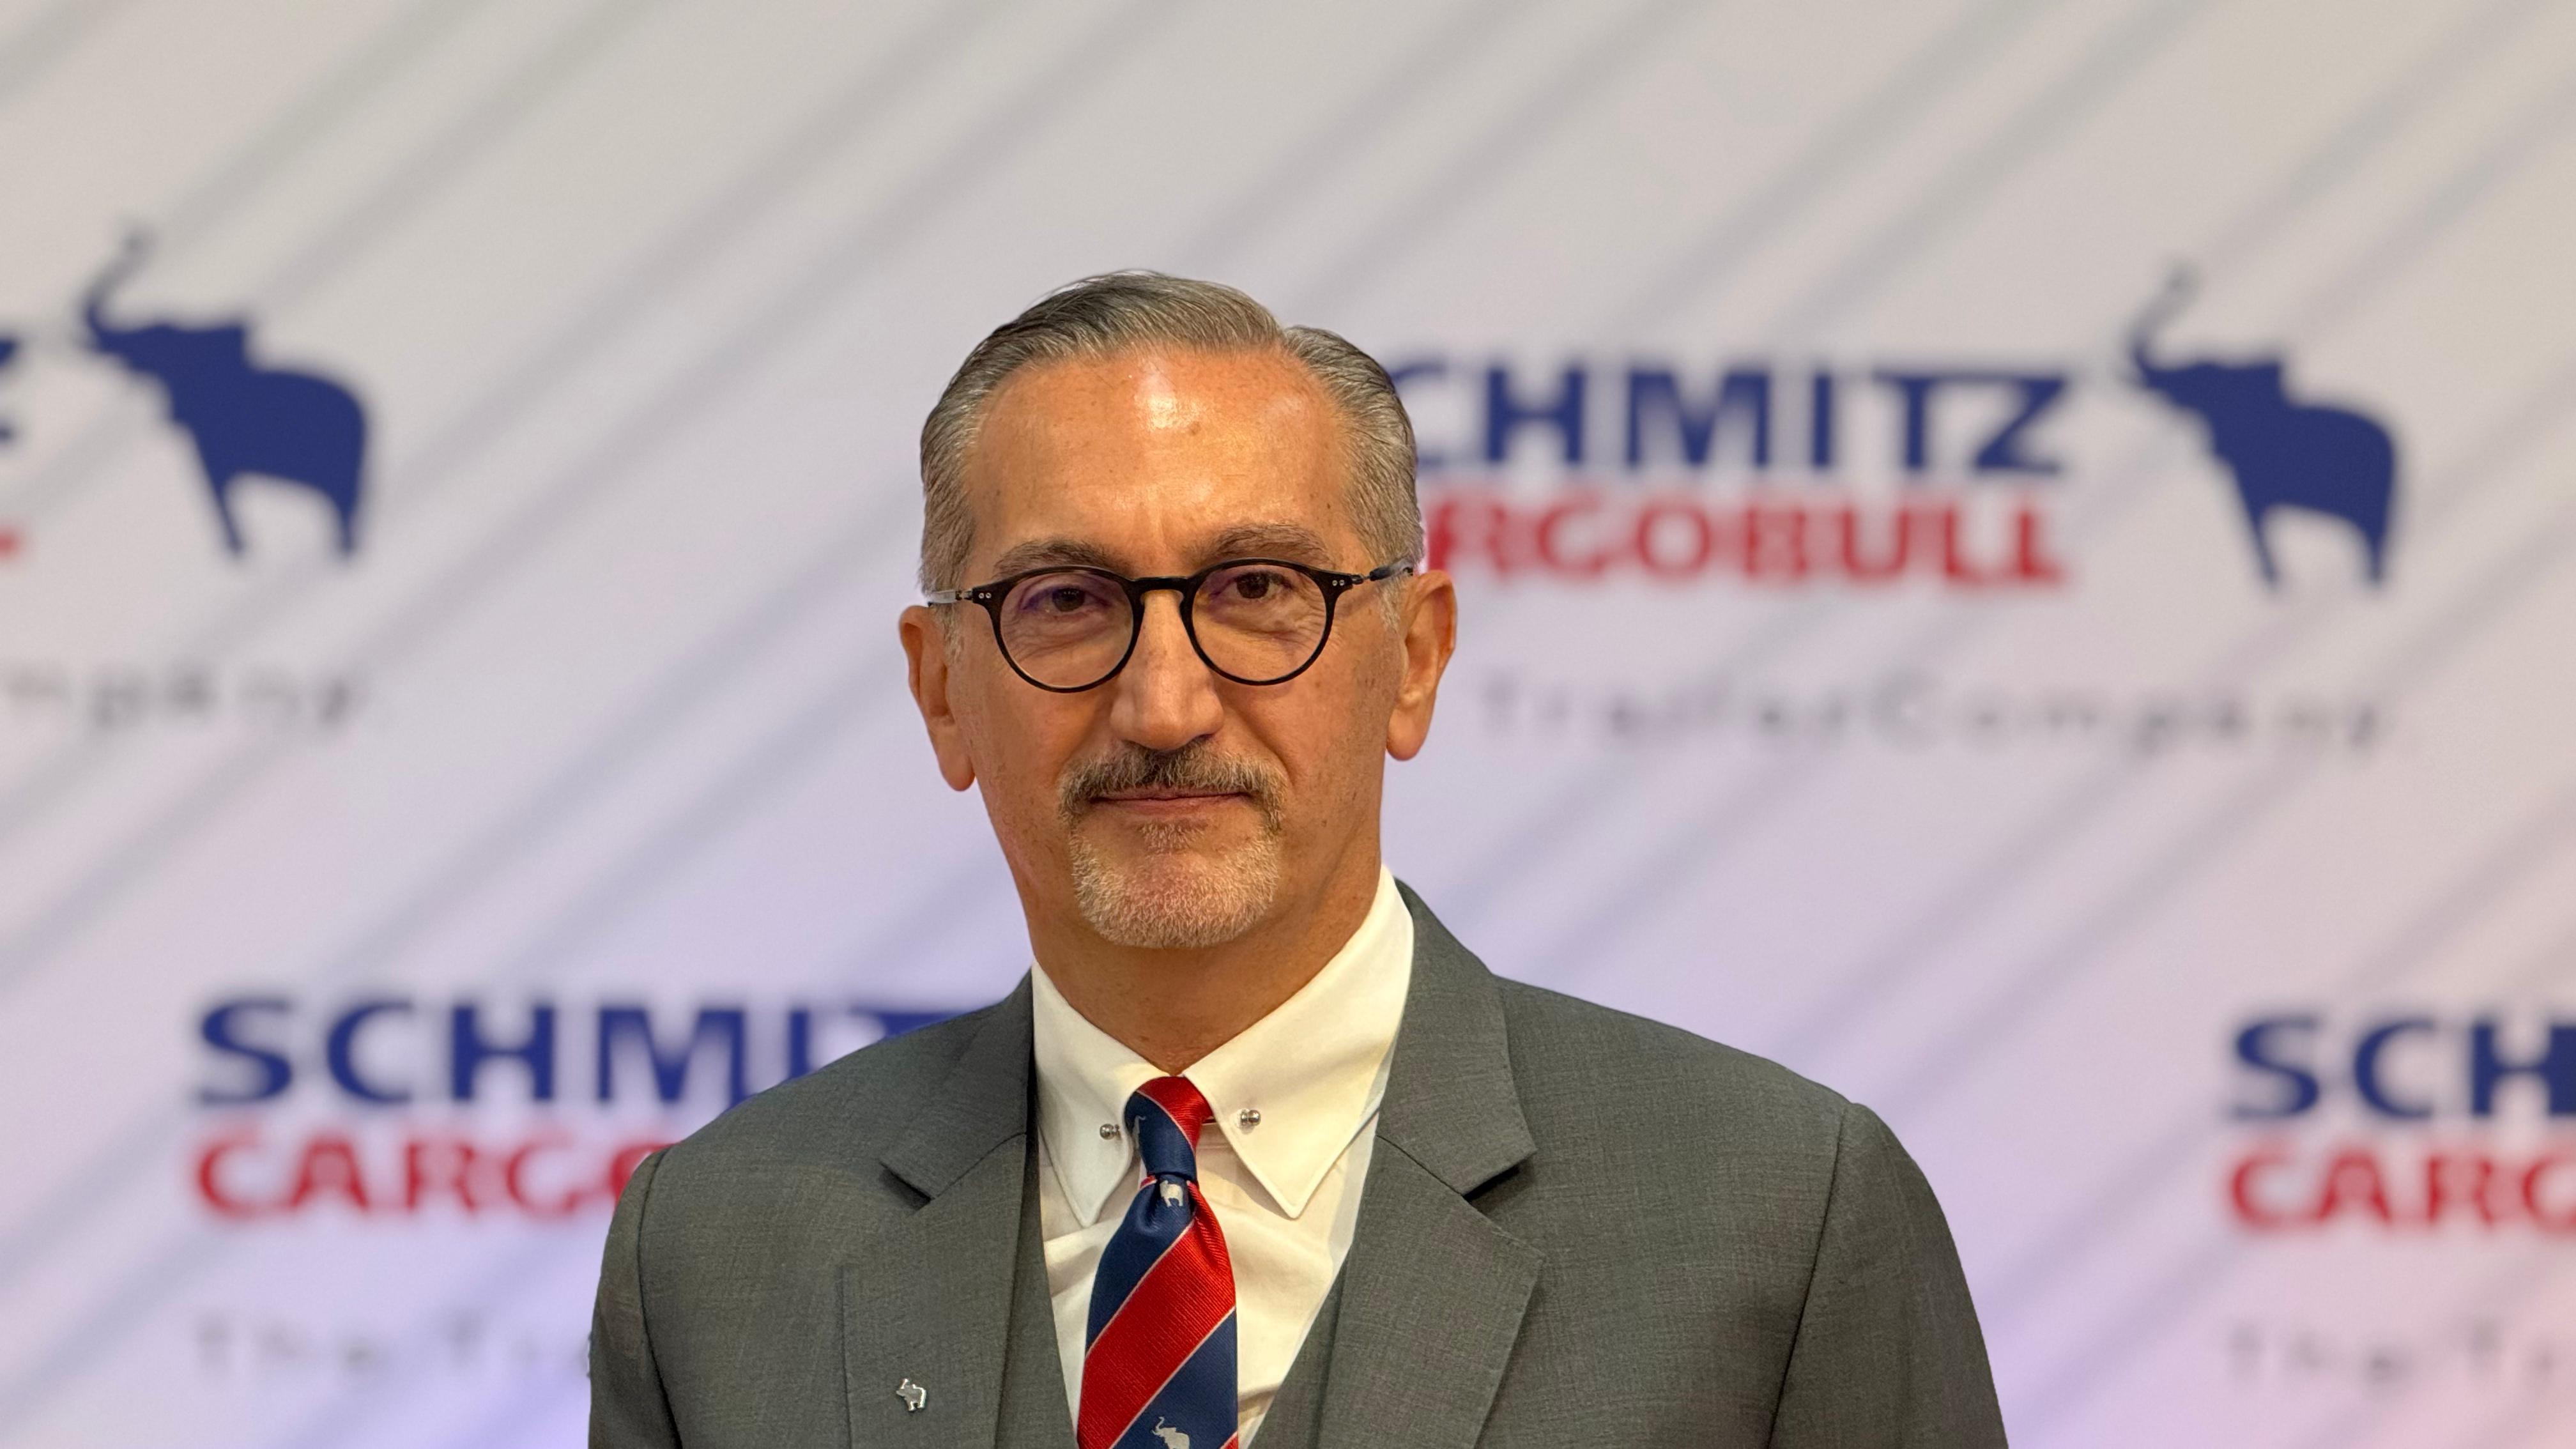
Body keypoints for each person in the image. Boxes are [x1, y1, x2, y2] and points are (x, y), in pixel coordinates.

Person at [588, 273, 2007, 1448]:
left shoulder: (1776, 1216)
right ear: (944, 689)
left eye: (1258, 590)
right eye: (1066, 600)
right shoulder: (715, 1250)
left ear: (1416, 658)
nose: (1164, 705)